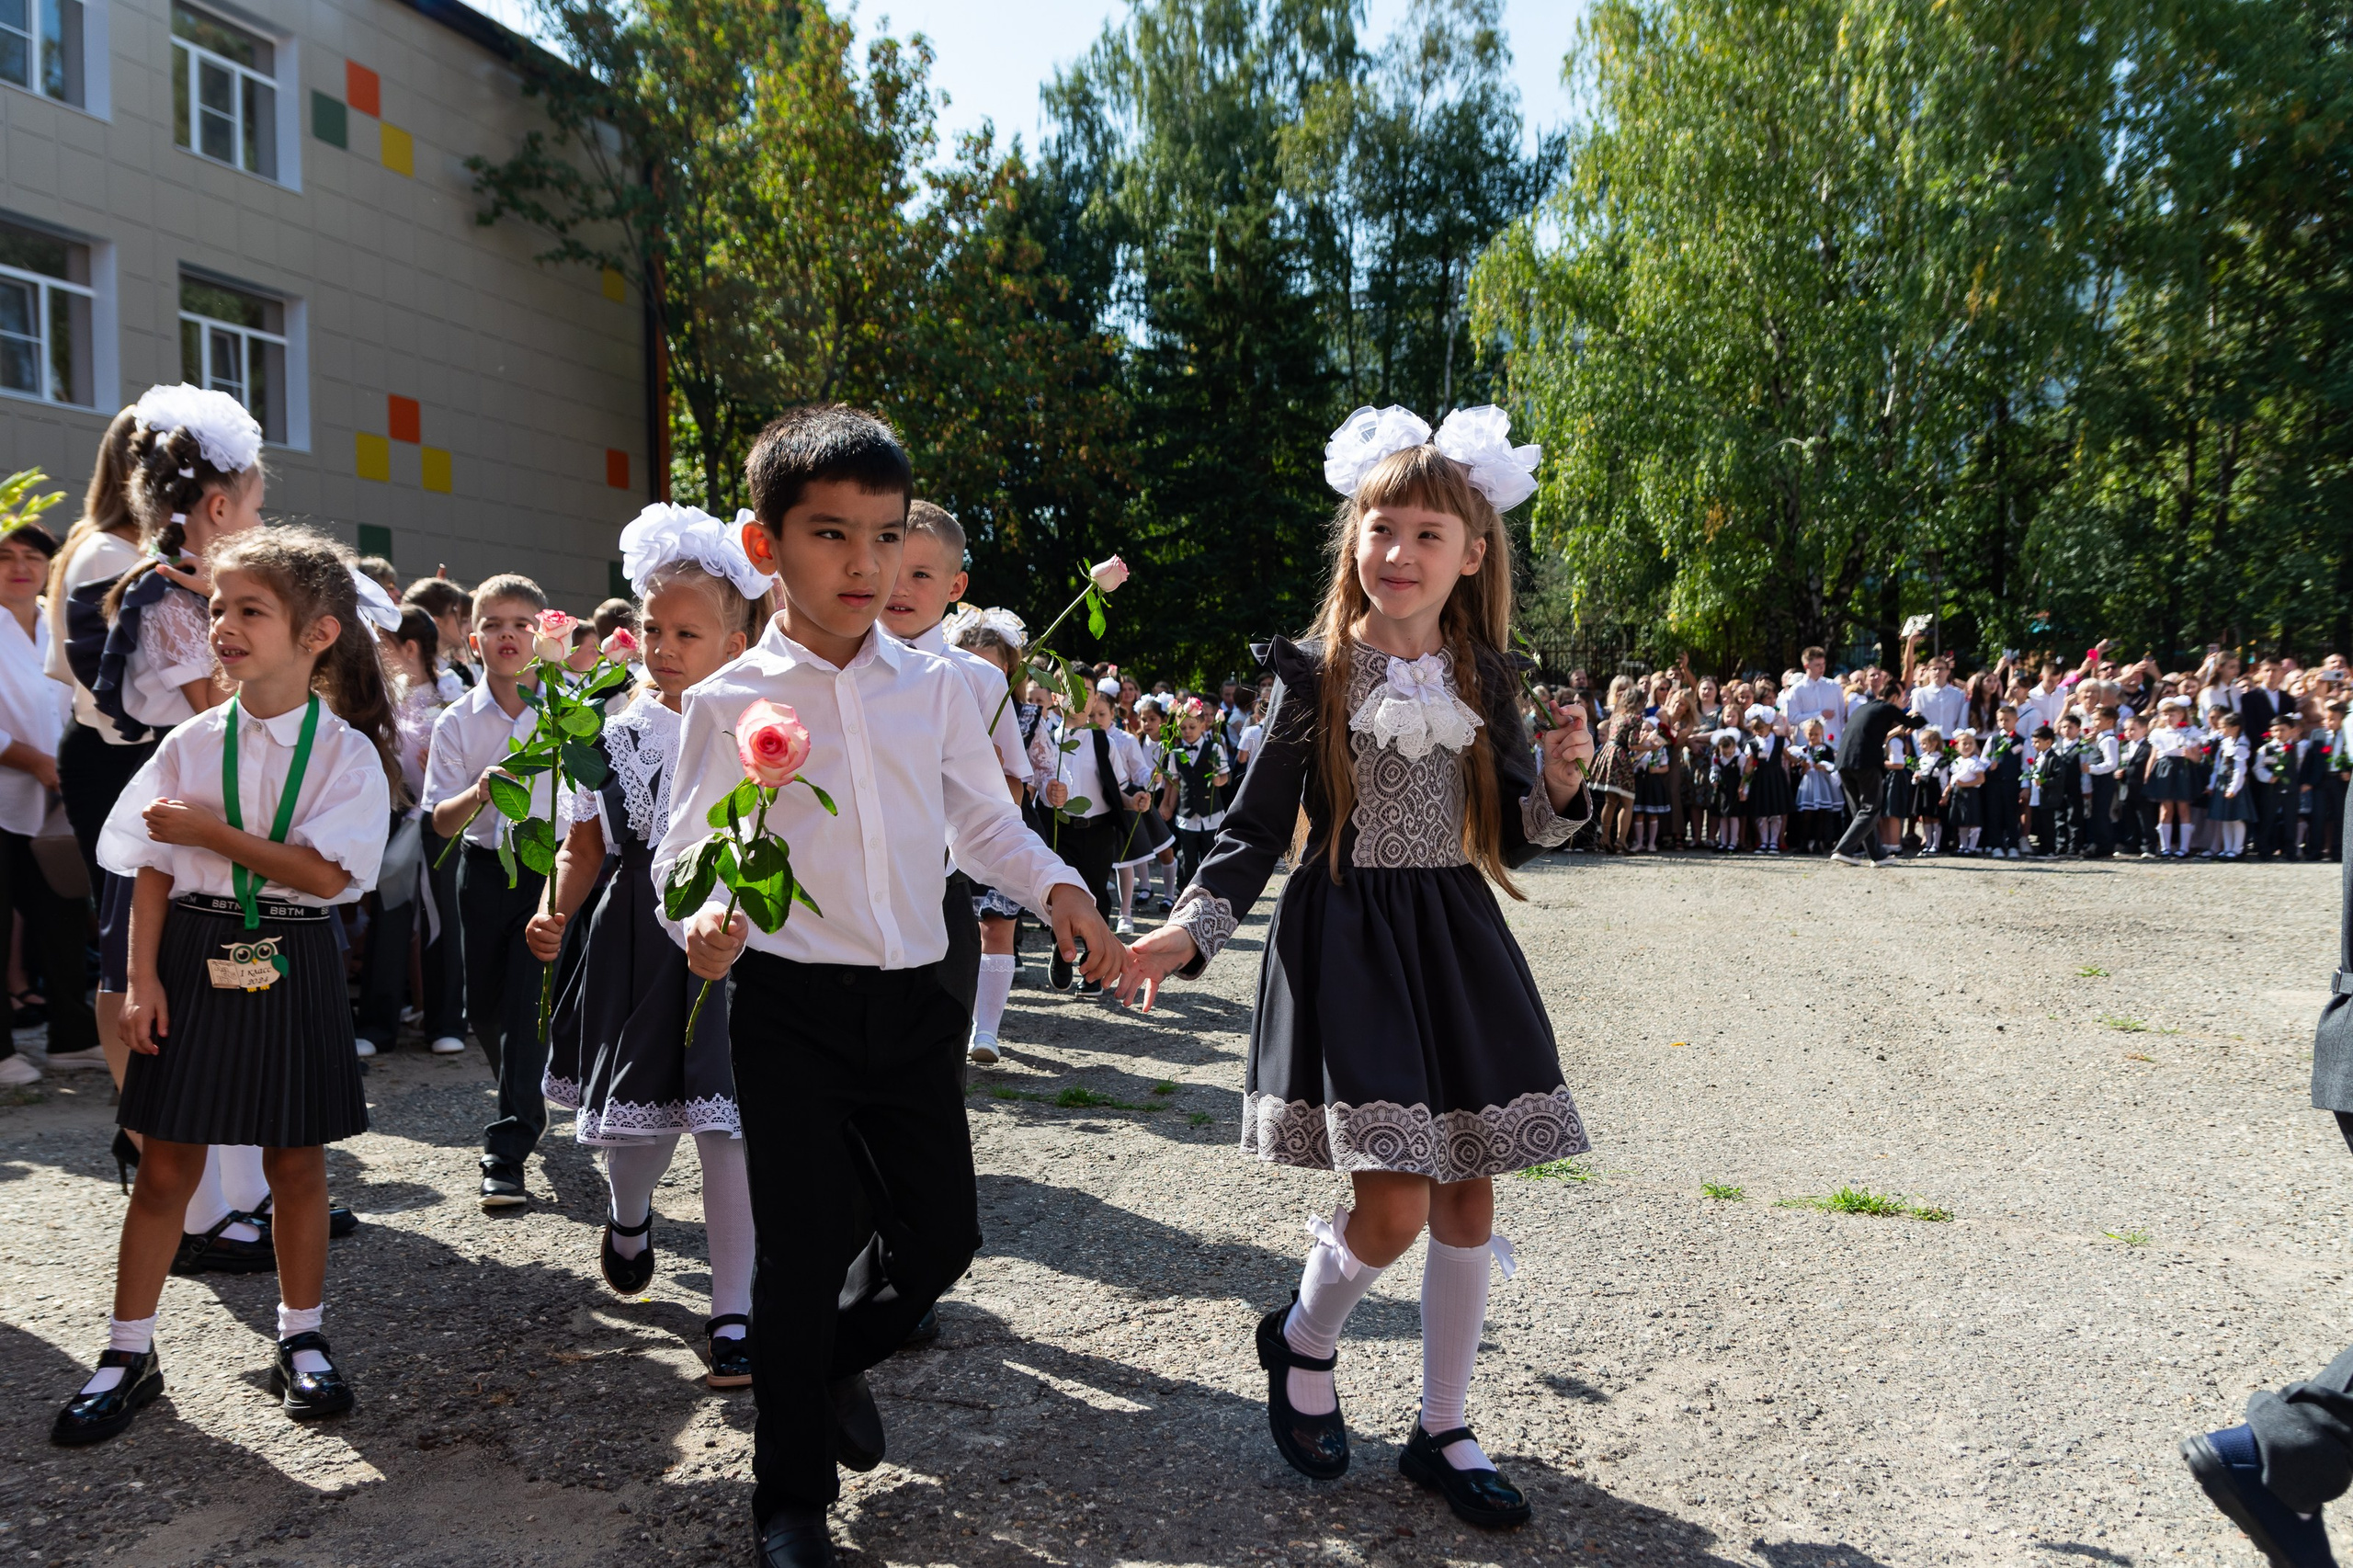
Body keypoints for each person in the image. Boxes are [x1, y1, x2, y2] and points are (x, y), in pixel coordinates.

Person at [654, 405, 1122, 1568]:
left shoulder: (939, 688)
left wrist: (1060, 886)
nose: (862, 564)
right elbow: (683, 852)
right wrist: (701, 920)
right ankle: (790, 1497)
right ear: (766, 549)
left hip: (918, 1000)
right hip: (792, 1009)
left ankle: (819, 1358)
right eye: (830, 535)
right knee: (802, 1251)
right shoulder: (727, 701)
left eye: (883, 536)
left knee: (943, 1236)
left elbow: (978, 819)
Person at [1118, 405, 1594, 1532]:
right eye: (1381, 528)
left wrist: (1564, 786)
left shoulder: (1486, 675)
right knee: (1391, 1199)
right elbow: (1246, 832)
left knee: (1467, 1186)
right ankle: (1305, 1334)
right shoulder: (1316, 672)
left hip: (1454, 934)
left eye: (1429, 533)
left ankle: (1442, 1424)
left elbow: (1513, 830)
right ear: (1354, 543)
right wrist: (1188, 932)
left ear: (1472, 553)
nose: (1400, 552)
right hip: (1348, 940)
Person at [52, 524, 395, 1445]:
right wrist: (138, 982)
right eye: (217, 607)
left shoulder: (346, 754)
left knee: (295, 1161)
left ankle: (302, 1337)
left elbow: (328, 878)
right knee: (166, 1163)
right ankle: (128, 1350)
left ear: (317, 632)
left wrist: (218, 836)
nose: (223, 625)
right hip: (192, 956)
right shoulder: (194, 740)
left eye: (251, 610)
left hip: (293, 954)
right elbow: (153, 868)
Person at [529, 505, 765, 1388]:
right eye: (652, 628)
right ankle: (630, 1216)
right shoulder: (610, 733)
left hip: (729, 942)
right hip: (635, 939)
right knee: (637, 1126)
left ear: (736, 638)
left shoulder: (761, 732)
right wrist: (554, 908)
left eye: (687, 632)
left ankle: (733, 1312)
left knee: (727, 1127)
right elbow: (583, 845)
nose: (664, 646)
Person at [420, 574, 561, 1208]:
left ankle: (505, 1150)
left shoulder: (568, 714)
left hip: (549, 874)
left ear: (543, 635)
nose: (510, 636)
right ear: (475, 640)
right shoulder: (455, 722)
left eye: (523, 624)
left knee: (530, 1009)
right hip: (481, 869)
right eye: (496, 625)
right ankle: (526, 1097)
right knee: (486, 1013)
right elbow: (439, 822)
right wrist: (478, 790)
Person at [877, 502, 1036, 1050]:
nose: (901, 587)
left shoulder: (977, 681)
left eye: (921, 574)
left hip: (940, 890)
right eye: (892, 567)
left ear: (955, 585)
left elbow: (1010, 793)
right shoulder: (833, 664)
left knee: (932, 1062)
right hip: (847, 901)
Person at [43, 405, 145, 1079]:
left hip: (120, 751)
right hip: (115, 752)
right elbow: (110, 683)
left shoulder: (123, 548)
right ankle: (138, 1121)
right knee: (129, 947)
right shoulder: (109, 552)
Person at [1829, 672, 1923, 867]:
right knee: (1872, 808)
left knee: (1862, 813)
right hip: (1866, 762)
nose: (1903, 702)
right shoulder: (1888, 707)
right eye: (1902, 698)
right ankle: (1843, 849)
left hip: (1844, 762)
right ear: (1895, 697)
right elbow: (1914, 723)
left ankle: (1877, 855)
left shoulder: (1864, 707)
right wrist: (1920, 714)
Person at [1164, 697, 1232, 892]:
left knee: (1211, 855)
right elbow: (1175, 782)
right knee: (1187, 857)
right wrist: (1168, 805)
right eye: (1183, 728)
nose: (1188, 732)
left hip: (1211, 816)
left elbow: (1225, 775)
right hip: (1186, 816)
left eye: (1192, 727)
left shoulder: (1215, 748)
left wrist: (1219, 779)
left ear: (1203, 725)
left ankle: (1212, 891)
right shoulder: (1176, 753)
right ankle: (1186, 892)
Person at [2147, 697, 2203, 858]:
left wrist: (2191, 756)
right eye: (2165, 715)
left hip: (2182, 771)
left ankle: (2184, 847)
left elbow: (2198, 758)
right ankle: (2165, 847)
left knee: (2183, 808)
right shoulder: (2158, 733)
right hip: (2164, 769)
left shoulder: (2191, 733)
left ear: (2182, 715)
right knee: (2166, 809)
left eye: (2173, 714)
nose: (2169, 718)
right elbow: (2154, 756)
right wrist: (2148, 775)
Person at [1742, 704, 1792, 854]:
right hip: (1760, 778)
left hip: (1776, 777)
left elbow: (1789, 756)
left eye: (1761, 729)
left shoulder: (1780, 740)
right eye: (1755, 730)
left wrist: (1801, 759)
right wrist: (1744, 783)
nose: (1758, 732)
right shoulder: (1752, 743)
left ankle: (1774, 842)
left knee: (1776, 812)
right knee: (1761, 813)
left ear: (1769, 725)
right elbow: (1749, 765)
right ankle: (1763, 842)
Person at [2206, 710, 2253, 858]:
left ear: (2235, 728)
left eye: (2223, 727)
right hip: (2222, 782)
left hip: (2233, 784)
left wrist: (2234, 788)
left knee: (2236, 818)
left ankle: (2237, 849)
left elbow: (2240, 770)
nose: (2220, 730)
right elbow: (2217, 766)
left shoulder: (2241, 746)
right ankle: (2227, 848)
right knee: (2225, 818)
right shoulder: (2225, 743)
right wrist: (2212, 784)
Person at [1790, 716, 1839, 854]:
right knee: (1806, 814)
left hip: (1822, 783)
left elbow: (1832, 767)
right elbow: (1798, 770)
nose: (1813, 737)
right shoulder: (1804, 750)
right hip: (1808, 784)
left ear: (1822, 733)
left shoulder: (1826, 749)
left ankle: (1818, 843)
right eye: (1810, 734)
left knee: (1821, 814)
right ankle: (1804, 842)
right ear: (1805, 734)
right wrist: (1803, 768)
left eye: (1816, 734)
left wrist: (1824, 767)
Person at [2082, 705, 2121, 859]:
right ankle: (2098, 843)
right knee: (2097, 812)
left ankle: (2104, 845)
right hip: (2098, 780)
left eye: (2098, 719)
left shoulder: (2109, 740)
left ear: (2110, 721)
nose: (2094, 723)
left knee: (2101, 813)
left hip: (2104, 780)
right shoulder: (2100, 738)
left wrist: (2091, 768)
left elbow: (2111, 764)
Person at [1941, 730, 1988, 854]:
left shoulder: (1975, 762)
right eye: (1964, 743)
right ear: (1957, 746)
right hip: (1958, 793)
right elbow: (1952, 779)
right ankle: (1963, 846)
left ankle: (1972, 847)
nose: (1967, 746)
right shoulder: (1957, 762)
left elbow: (1981, 779)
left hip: (1971, 793)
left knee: (1973, 820)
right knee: (1961, 821)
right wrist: (1946, 792)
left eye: (1971, 743)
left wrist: (1965, 784)